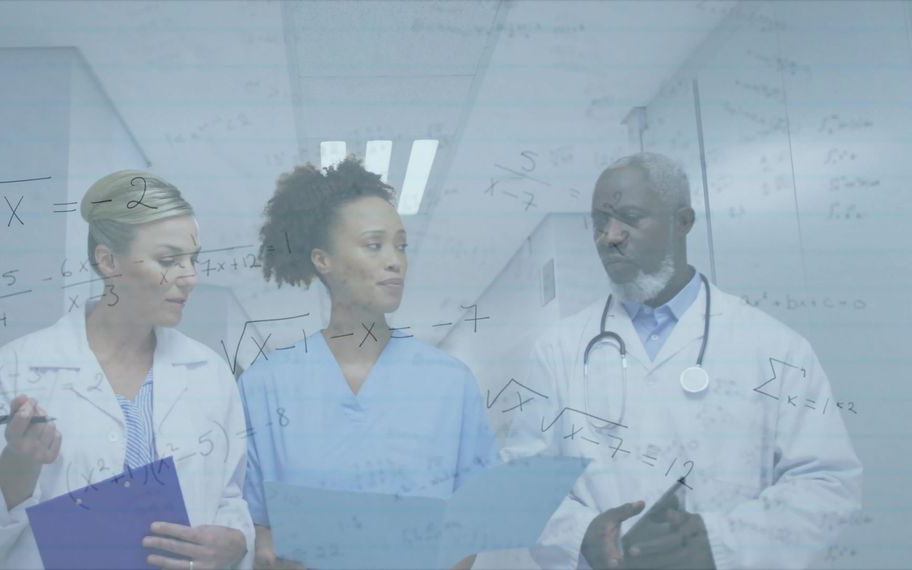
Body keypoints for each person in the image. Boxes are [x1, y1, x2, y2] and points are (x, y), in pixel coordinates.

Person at [502, 152, 862, 569]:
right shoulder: (559, 350)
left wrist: (718, 543)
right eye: (600, 222)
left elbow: (827, 484)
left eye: (629, 217)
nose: (609, 236)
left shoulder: (775, 348)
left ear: (683, 222)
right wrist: (582, 534)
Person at [0, 170, 253, 569]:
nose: (190, 277)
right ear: (109, 261)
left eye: (194, 259)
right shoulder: (18, 367)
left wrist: (236, 542)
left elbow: (228, 498)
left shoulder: (210, 373)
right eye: (168, 260)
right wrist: (19, 464)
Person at [239, 157, 499, 569]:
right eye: (374, 245)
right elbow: (254, 520)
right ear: (322, 260)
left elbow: (472, 519)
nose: (395, 260)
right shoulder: (264, 386)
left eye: (401, 245)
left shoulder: (450, 383)